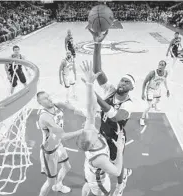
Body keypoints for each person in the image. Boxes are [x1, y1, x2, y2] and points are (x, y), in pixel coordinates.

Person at [89, 29, 133, 196]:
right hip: (102, 134)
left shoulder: (129, 104)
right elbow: (97, 70)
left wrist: (92, 94)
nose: (123, 82)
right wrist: (97, 43)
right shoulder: (110, 90)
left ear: (132, 87)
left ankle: (121, 185)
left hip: (116, 139)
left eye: (127, 82)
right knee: (102, 165)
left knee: (117, 167)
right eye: (122, 79)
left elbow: (115, 115)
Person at [77, 60, 125, 196]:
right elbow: (116, 171)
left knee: (86, 185)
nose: (93, 129)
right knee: (103, 192)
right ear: (92, 144)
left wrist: (90, 84)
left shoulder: (89, 135)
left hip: (89, 169)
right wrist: (120, 150)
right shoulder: (99, 158)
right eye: (92, 133)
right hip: (99, 183)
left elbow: (90, 109)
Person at [37, 91, 84, 196]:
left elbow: (72, 109)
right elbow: (63, 136)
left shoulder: (56, 105)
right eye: (45, 98)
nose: (49, 99)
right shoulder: (45, 117)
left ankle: (59, 185)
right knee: (50, 182)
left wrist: (85, 113)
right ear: (39, 102)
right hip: (49, 151)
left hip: (58, 146)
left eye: (48, 96)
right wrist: (82, 131)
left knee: (67, 167)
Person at [140, 60, 170, 126]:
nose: (160, 66)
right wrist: (143, 93)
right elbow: (144, 82)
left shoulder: (166, 73)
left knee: (158, 100)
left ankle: (155, 106)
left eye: (162, 65)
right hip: (150, 90)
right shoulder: (153, 73)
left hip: (157, 89)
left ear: (165, 67)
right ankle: (142, 119)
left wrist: (167, 90)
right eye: (159, 64)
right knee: (149, 106)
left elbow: (165, 81)